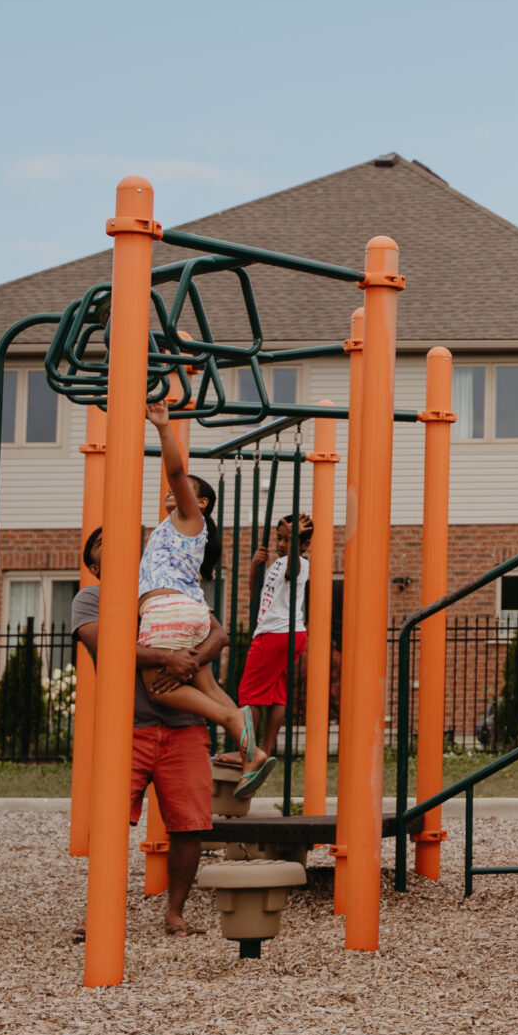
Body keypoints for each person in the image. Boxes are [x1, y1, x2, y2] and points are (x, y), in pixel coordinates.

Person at [72, 532, 229, 937]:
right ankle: (101, 911)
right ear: (94, 565)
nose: (119, 544)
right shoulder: (91, 600)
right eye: (103, 543)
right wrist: (166, 657)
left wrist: (188, 662)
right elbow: (106, 646)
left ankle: (175, 913)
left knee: (190, 825)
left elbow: (217, 633)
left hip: (185, 728)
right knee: (109, 822)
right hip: (126, 729)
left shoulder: (169, 588)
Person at [132, 397, 273, 785]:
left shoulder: (189, 517)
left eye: (183, 490)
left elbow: (176, 470)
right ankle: (253, 753)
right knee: (208, 685)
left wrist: (163, 426)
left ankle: (230, 720)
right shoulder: (174, 529)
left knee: (158, 689)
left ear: (201, 502)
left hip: (168, 611)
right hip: (191, 611)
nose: (171, 491)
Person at [238, 513, 313, 756]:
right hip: (285, 634)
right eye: (279, 538)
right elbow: (257, 598)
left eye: (288, 540)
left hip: (276, 634)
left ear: (303, 545)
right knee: (276, 695)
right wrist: (253, 569)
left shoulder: (299, 564)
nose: (281, 544)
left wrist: (292, 541)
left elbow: (294, 567)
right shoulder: (276, 564)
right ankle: (265, 750)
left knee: (249, 694)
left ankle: (249, 753)